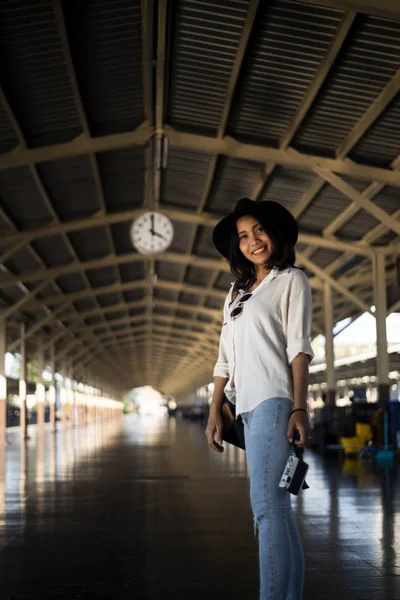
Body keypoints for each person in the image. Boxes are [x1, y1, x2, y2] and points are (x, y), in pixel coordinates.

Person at [205, 198, 314, 600]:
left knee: (266, 511)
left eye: (260, 231)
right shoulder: (235, 294)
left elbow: (298, 348)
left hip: (275, 399)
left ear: (275, 232)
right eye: (244, 236)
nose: (253, 241)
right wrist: (215, 408)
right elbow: (224, 359)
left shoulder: (291, 280)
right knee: (277, 515)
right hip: (245, 408)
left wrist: (299, 407)